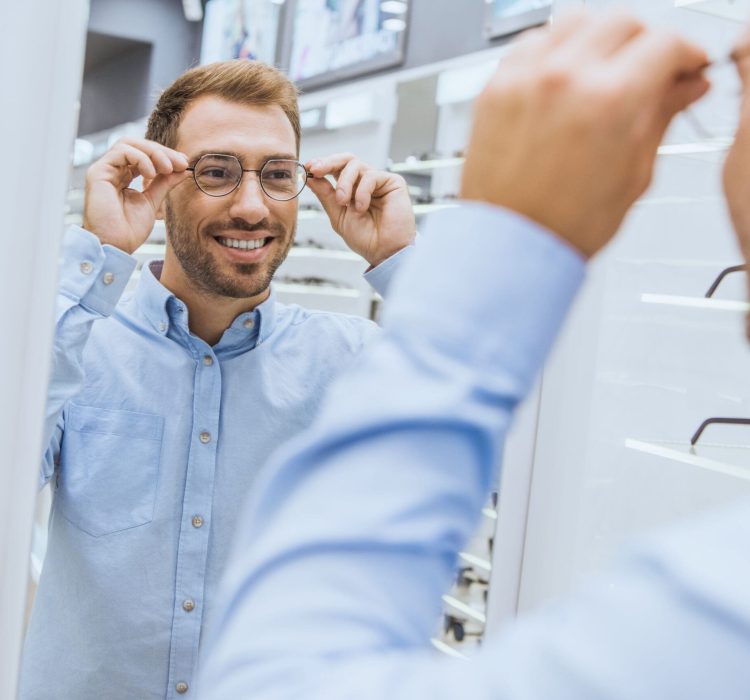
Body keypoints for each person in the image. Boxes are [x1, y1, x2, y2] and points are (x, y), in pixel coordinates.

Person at [198, 10, 750, 699]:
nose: (252, 205)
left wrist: (498, 242)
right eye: (216, 171)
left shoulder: (717, 616)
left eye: (745, 83)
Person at [19, 60, 414, 699]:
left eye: (278, 175)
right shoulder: (80, 343)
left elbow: (515, 471)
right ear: (159, 179)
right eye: (217, 172)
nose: (252, 206)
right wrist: (99, 257)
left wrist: (402, 266)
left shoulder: (351, 362)